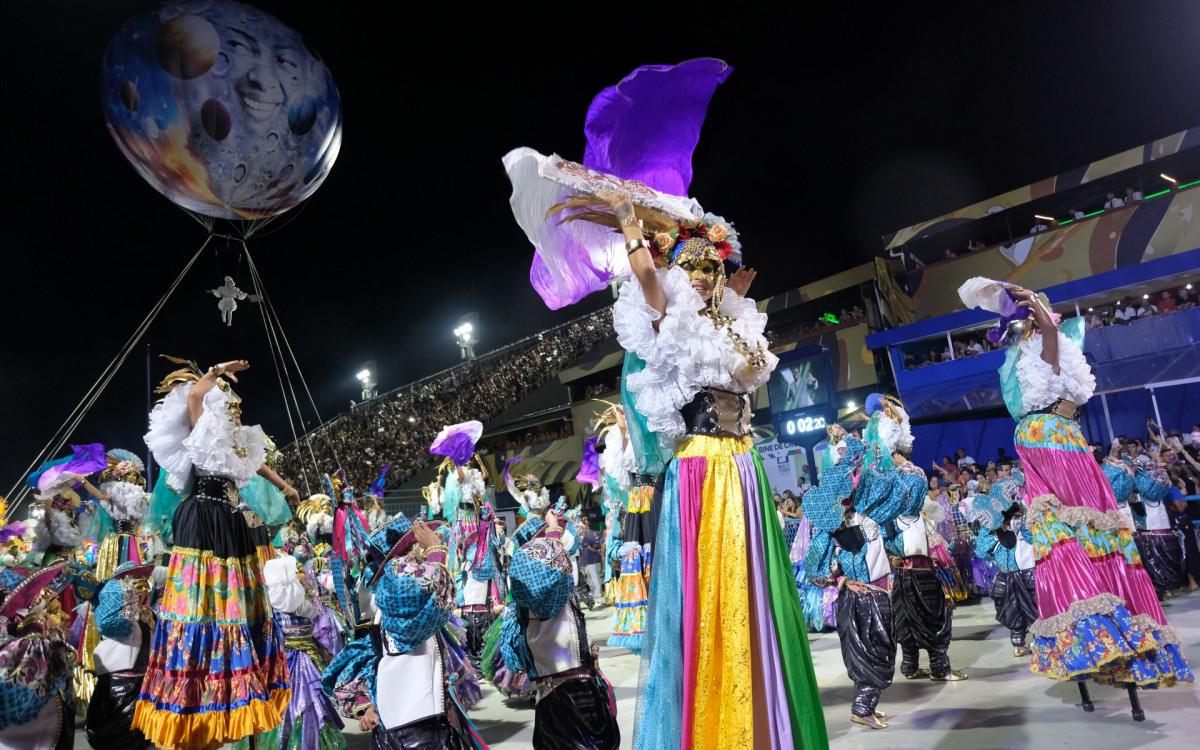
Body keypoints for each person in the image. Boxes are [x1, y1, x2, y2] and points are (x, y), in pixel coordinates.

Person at [599, 187, 825, 748]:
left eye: (709, 265)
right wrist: (630, 226)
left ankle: (760, 713)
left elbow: (742, 362)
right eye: (690, 266)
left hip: (744, 467)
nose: (699, 275)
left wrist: (736, 298)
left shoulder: (731, 324)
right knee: (710, 592)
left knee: (752, 589)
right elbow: (651, 283)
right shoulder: (669, 320)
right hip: (702, 468)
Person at [959, 278, 1193, 693]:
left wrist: (1031, 306)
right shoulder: (1036, 350)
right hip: (1052, 437)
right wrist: (1031, 302)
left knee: (1079, 526)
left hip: (1050, 436)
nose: (1023, 329)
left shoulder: (1037, 355)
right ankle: (1098, 621)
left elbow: (1051, 335)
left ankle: (1098, 625)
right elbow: (1049, 332)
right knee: (1088, 524)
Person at [134, 358, 299, 750]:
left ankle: (230, 685)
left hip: (230, 520)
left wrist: (286, 487)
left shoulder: (236, 440)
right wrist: (216, 372)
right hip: (203, 517)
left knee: (236, 605)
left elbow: (257, 465)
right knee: (202, 604)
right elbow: (193, 393)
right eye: (231, 401)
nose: (237, 407)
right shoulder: (201, 427)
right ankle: (195, 691)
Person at [322, 513, 485, 749]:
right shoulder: (403, 594)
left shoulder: (395, 602)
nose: (421, 551)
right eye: (415, 545)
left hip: (415, 723)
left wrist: (368, 704)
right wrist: (436, 552)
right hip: (414, 730)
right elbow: (434, 592)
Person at [494, 510, 620, 749]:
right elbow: (551, 565)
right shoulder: (539, 579)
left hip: (570, 687)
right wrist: (553, 531)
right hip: (565, 692)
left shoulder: (548, 582)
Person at [86, 561, 157, 750]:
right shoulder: (117, 615)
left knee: (140, 732)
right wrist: (127, 602)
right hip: (119, 682)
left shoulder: (149, 613)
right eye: (138, 587)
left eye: (146, 586)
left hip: (143, 681)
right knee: (118, 731)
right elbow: (111, 626)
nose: (144, 592)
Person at [972, 474, 1038, 656]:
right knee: (1013, 608)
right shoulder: (993, 525)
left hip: (1030, 569)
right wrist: (996, 535)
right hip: (1010, 572)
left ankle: (1038, 641)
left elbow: (1035, 538)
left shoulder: (1026, 517)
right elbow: (982, 551)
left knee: (1034, 606)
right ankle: (1019, 644)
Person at [579, 517, 604, 611]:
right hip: (598, 557)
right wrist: (599, 551)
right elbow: (601, 543)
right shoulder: (597, 532)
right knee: (598, 575)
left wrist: (596, 550)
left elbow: (588, 547)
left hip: (590, 559)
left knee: (594, 576)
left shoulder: (586, 536)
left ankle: (597, 592)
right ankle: (599, 590)